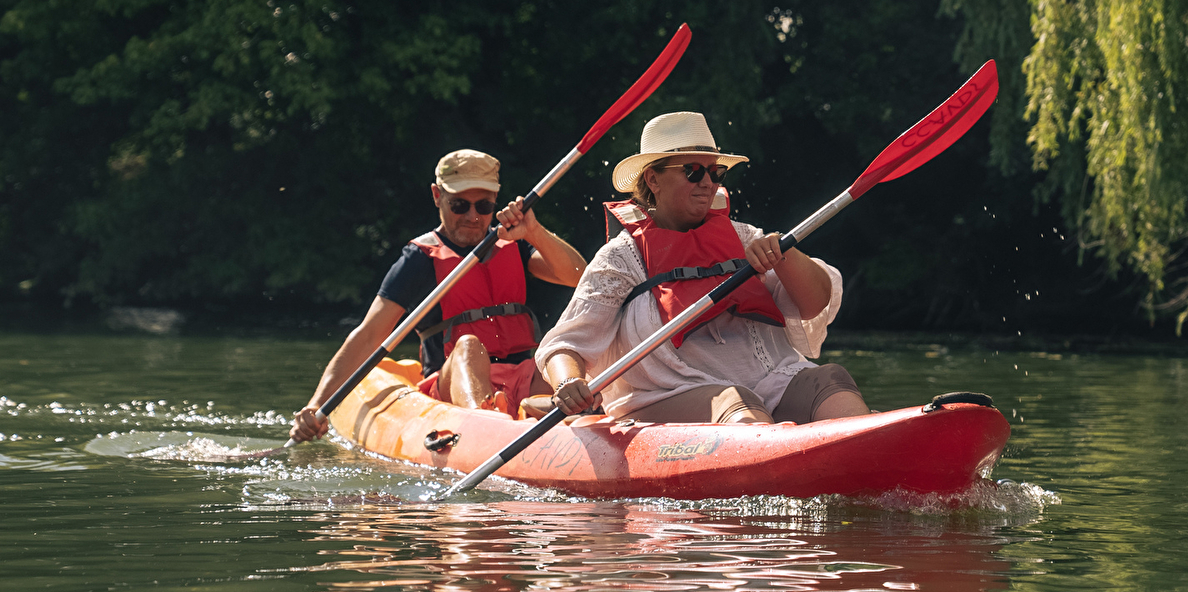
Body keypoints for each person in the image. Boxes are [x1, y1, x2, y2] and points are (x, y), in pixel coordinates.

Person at [536, 112, 870, 424]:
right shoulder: (621, 259)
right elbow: (566, 344)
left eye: (715, 173)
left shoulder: (746, 238)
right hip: (669, 395)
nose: (708, 183)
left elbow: (815, 303)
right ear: (653, 178)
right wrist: (568, 380)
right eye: (693, 171)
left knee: (830, 377)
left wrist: (786, 255)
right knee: (735, 402)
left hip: (769, 383)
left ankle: (868, 456)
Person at [291, 149, 587, 442]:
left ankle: (566, 411)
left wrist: (534, 231)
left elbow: (577, 276)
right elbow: (369, 336)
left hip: (523, 375)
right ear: (437, 196)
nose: (473, 216)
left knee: (559, 349)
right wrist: (317, 405)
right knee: (469, 345)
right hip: (452, 381)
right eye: (459, 205)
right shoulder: (418, 260)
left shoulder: (513, 242)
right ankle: (483, 422)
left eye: (483, 206)